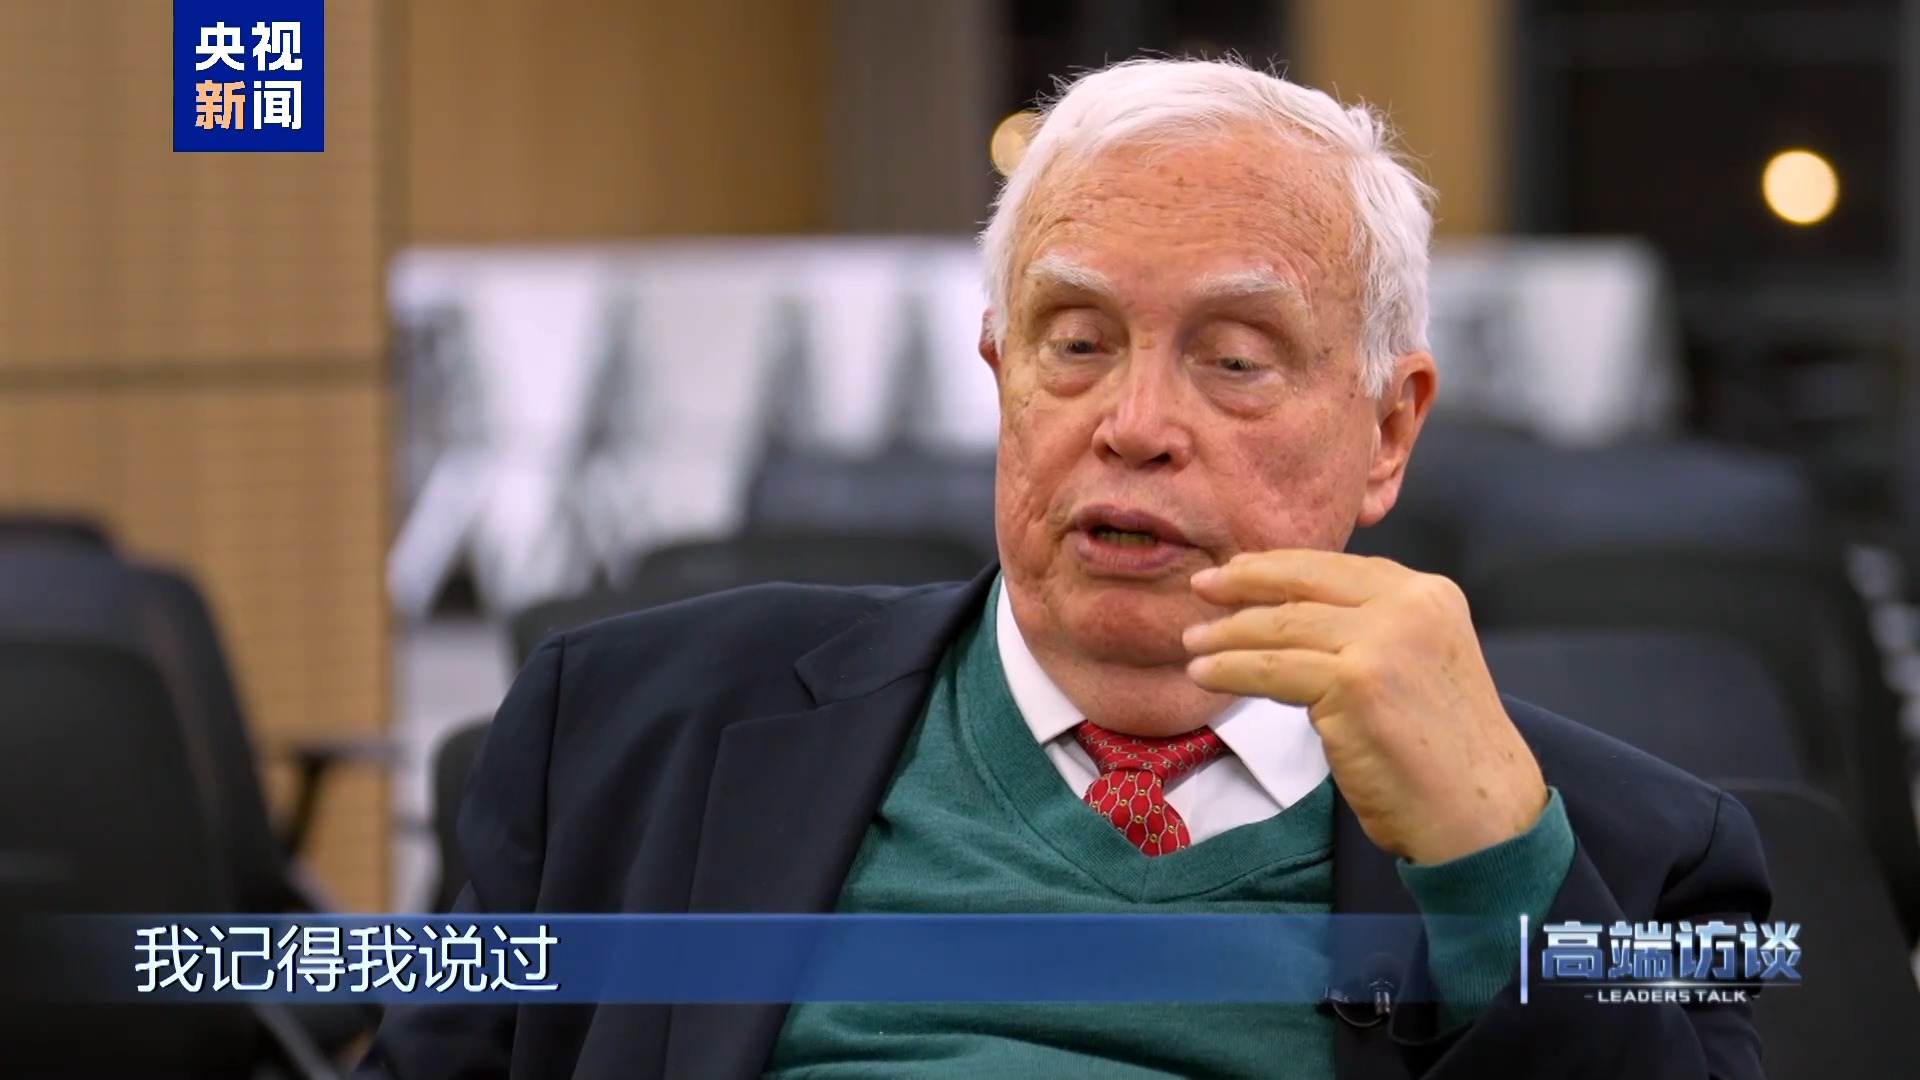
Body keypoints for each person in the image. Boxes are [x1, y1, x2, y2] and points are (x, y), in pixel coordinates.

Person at [360, 58, 1770, 1080]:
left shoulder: (1634, 859)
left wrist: (1498, 872)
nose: (1135, 425)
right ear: (1000, 374)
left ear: (1388, 430)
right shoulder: (619, 731)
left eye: (1234, 360)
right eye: (1077, 343)